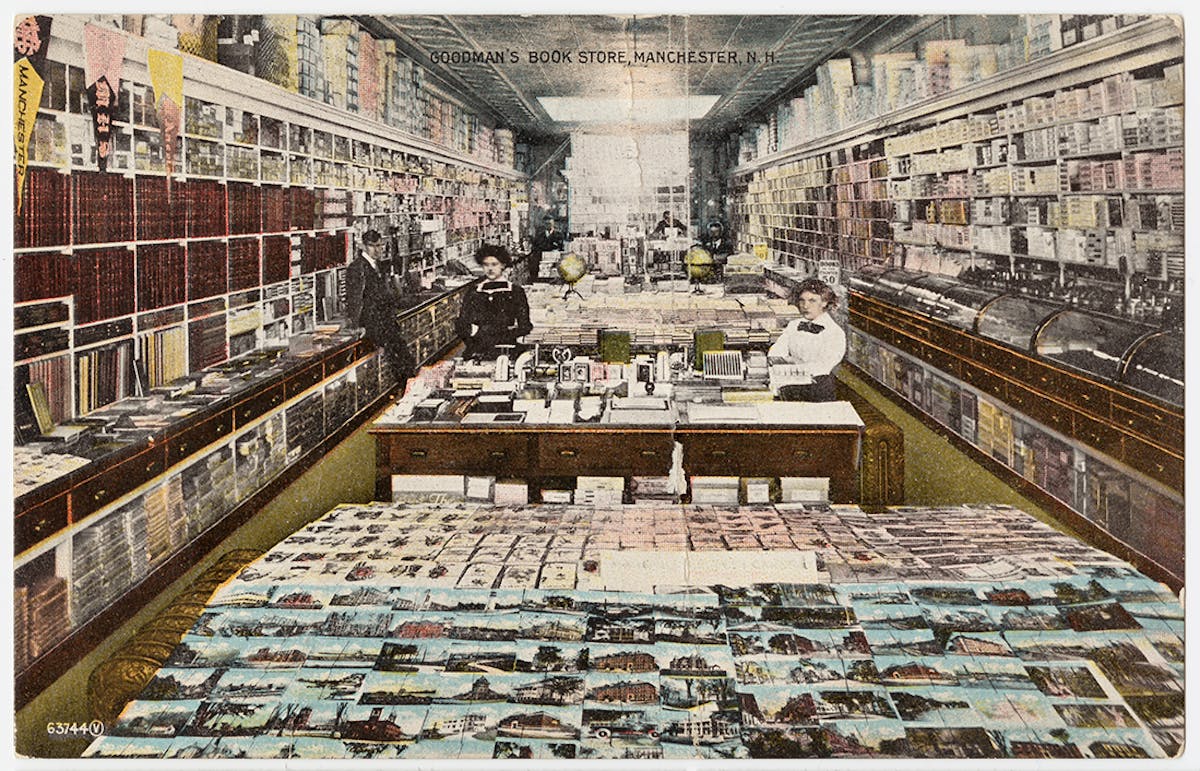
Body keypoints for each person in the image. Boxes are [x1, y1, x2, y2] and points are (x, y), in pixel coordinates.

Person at [345, 229, 415, 382]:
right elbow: (354, 299)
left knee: (403, 359)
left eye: (380, 246)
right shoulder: (357, 268)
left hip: (384, 321)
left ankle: (407, 387)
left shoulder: (379, 266)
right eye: (373, 246)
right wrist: (358, 325)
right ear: (363, 246)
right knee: (401, 360)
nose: (378, 250)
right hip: (372, 324)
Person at [767, 278, 846, 402]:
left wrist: (789, 362)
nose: (805, 306)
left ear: (824, 303)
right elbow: (776, 351)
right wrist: (788, 362)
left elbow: (822, 367)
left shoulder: (835, 333)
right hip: (789, 386)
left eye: (812, 301)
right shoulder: (794, 325)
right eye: (802, 300)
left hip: (818, 391)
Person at [456, 244, 532, 360]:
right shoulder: (474, 292)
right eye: (486, 265)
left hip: (506, 349)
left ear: (503, 265)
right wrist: (473, 338)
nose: (490, 269)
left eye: (494, 264)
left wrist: (493, 333)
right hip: (478, 350)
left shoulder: (516, 292)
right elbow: (462, 324)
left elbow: (525, 326)